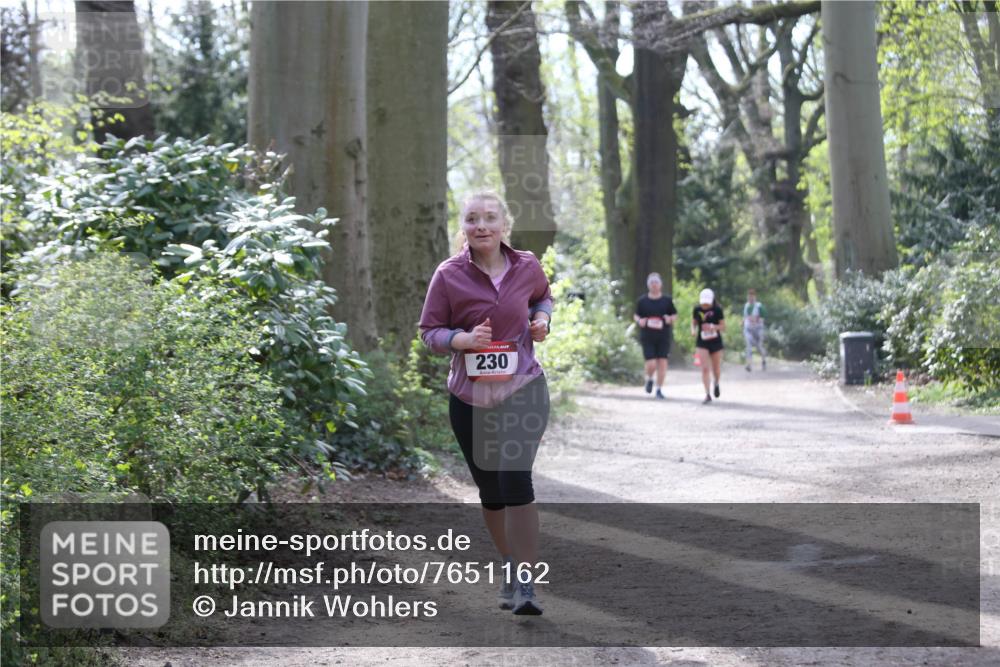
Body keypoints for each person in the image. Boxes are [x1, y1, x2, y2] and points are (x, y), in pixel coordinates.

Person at [418, 190, 552, 616]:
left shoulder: (527, 265)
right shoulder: (448, 275)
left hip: (523, 389)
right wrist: (461, 339)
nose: (481, 226)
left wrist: (542, 320)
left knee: (516, 481)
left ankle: (528, 584)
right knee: (492, 492)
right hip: (470, 397)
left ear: (503, 225)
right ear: (464, 226)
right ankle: (510, 563)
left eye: (489, 218)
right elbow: (429, 331)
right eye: (473, 219)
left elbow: (543, 297)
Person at [633, 272, 678, 399]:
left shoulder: (667, 300)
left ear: (660, 285)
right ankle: (650, 379)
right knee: (651, 363)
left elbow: (674, 314)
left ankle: (659, 389)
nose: (654, 285)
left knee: (663, 362)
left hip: (663, 336)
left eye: (656, 282)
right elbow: (636, 315)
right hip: (648, 336)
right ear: (648, 285)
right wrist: (639, 321)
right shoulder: (642, 301)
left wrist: (670, 319)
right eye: (651, 283)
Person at [691, 288, 725, 404]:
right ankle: (707, 394)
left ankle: (716, 383)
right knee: (705, 368)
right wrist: (693, 330)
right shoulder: (697, 309)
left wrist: (713, 327)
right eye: (703, 302)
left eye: (707, 302)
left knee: (716, 368)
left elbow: (723, 327)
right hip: (702, 342)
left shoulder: (717, 309)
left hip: (716, 341)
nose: (705, 305)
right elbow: (694, 323)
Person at [742, 288, 767, 371]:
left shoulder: (759, 306)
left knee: (759, 347)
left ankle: (763, 360)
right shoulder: (746, 306)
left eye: (752, 297)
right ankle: (749, 364)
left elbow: (763, 318)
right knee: (748, 346)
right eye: (749, 297)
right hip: (748, 329)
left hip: (758, 329)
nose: (750, 299)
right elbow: (745, 317)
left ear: (755, 297)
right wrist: (742, 321)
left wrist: (756, 319)